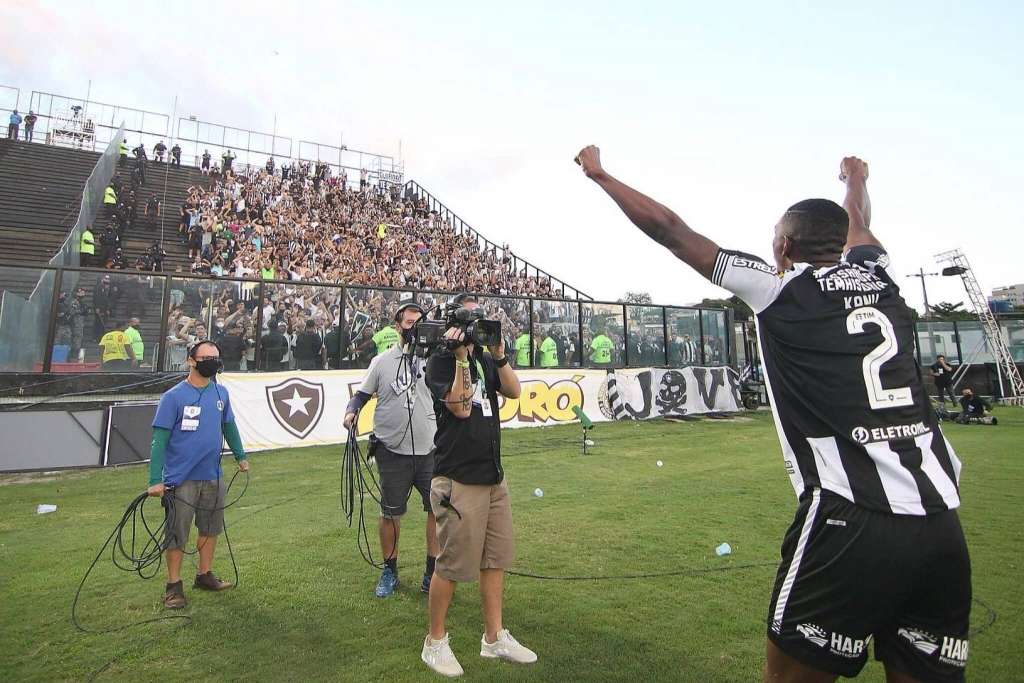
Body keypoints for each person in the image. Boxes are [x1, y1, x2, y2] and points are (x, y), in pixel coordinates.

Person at [577, 147, 970, 682]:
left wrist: (601, 175)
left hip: (851, 514)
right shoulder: (881, 272)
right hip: (941, 520)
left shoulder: (777, 287)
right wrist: (855, 177)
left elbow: (671, 230)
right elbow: (857, 220)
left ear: (783, 247)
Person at [420, 293, 535, 677]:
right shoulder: (440, 360)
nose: (476, 326)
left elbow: (515, 391)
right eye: (470, 320)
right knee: (451, 565)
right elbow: (461, 406)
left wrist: (498, 353)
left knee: (495, 560)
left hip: (492, 476)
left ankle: (494, 637)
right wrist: (459, 358)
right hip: (458, 478)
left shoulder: (486, 359)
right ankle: (435, 642)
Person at [343, 303, 440, 598]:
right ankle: (390, 570)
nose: (414, 328)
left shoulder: (436, 361)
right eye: (409, 322)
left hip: (430, 449)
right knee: (390, 513)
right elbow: (360, 394)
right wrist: (351, 412)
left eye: (419, 323)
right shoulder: (382, 361)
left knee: (437, 510)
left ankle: (432, 571)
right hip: (392, 449)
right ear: (398, 325)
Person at [148, 340, 250, 609]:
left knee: (211, 527)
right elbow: (159, 440)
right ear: (191, 361)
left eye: (216, 357)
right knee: (177, 531)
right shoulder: (173, 397)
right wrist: (155, 480)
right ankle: (173, 585)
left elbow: (229, 425)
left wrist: (241, 456)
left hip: (212, 475)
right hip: (180, 479)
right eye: (207, 357)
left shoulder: (221, 393)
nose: (213, 362)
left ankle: (204, 575)